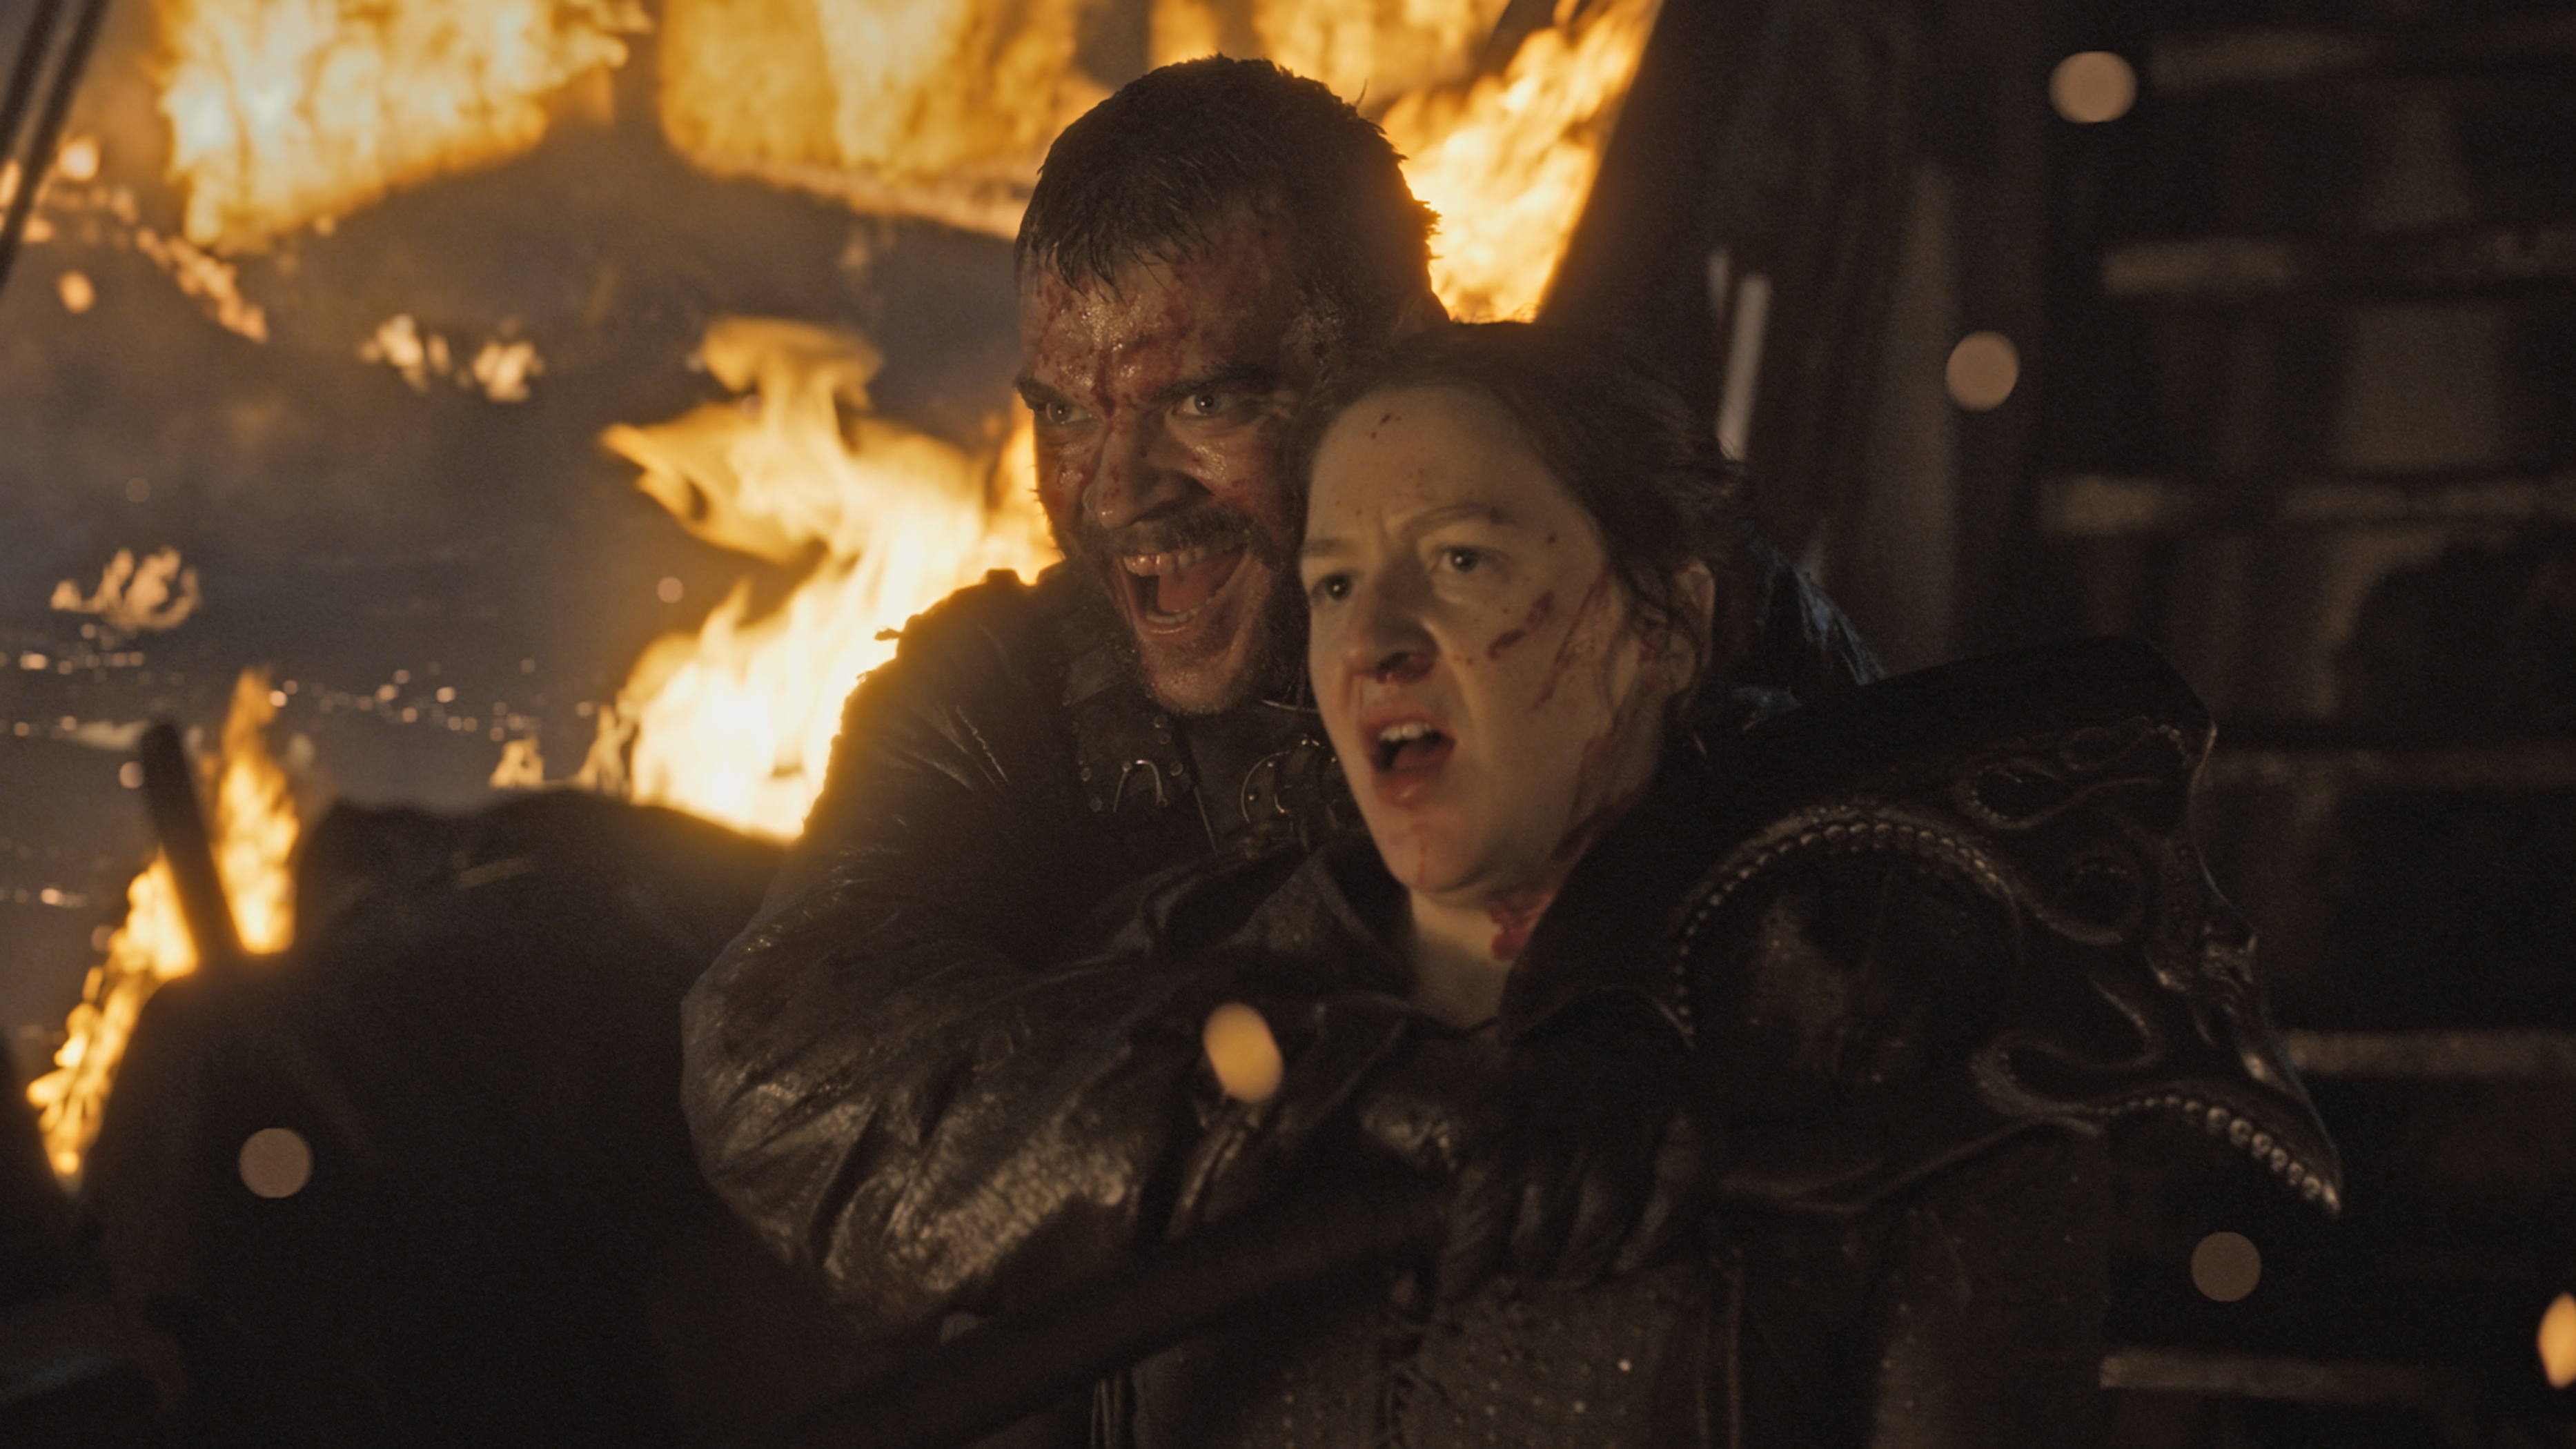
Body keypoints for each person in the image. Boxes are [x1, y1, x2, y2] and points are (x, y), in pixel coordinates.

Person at [772, 321, 2342, 1447]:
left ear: (1667, 625)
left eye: (1462, 561)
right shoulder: (1180, 988)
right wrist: (1351, 1101)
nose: (1376, 639)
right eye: (1334, 583)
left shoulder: (1898, 1056)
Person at [679, 53, 1878, 1354]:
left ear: (1397, 356)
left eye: (1204, 401)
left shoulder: (1627, 594)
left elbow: (1917, 905)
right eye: (1066, 415)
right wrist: (1322, 1090)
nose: (1118, 493)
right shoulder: (1006, 699)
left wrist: (1671, 1033)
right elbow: (781, 1072)